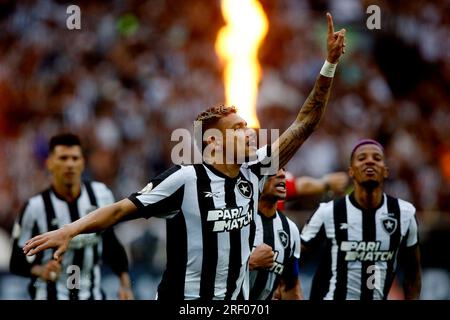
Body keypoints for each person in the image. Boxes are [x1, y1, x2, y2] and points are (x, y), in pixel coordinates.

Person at [22, 13, 346, 300]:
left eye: (247, 126)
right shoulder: (186, 179)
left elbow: (305, 123)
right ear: (214, 143)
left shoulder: (255, 171)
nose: (249, 133)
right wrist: (69, 230)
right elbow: (120, 209)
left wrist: (329, 64)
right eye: (238, 129)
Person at [10, 133, 134, 300]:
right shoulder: (35, 207)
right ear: (49, 163)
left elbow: (111, 243)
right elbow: (16, 262)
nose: (70, 164)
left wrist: (124, 284)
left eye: (75, 158)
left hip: (93, 295)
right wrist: (40, 270)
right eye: (63, 158)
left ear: (82, 163)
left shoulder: (101, 195)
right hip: (50, 295)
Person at [300, 139, 422, 300]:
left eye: (377, 158)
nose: (370, 161)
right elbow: (294, 257)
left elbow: (413, 273)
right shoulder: (328, 212)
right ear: (351, 171)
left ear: (385, 171)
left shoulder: (404, 214)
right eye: (362, 158)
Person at [248, 168, 303, 300]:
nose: (282, 174)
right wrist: (250, 263)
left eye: (284, 170)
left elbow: (290, 285)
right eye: (273, 171)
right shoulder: (237, 219)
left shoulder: (290, 229)